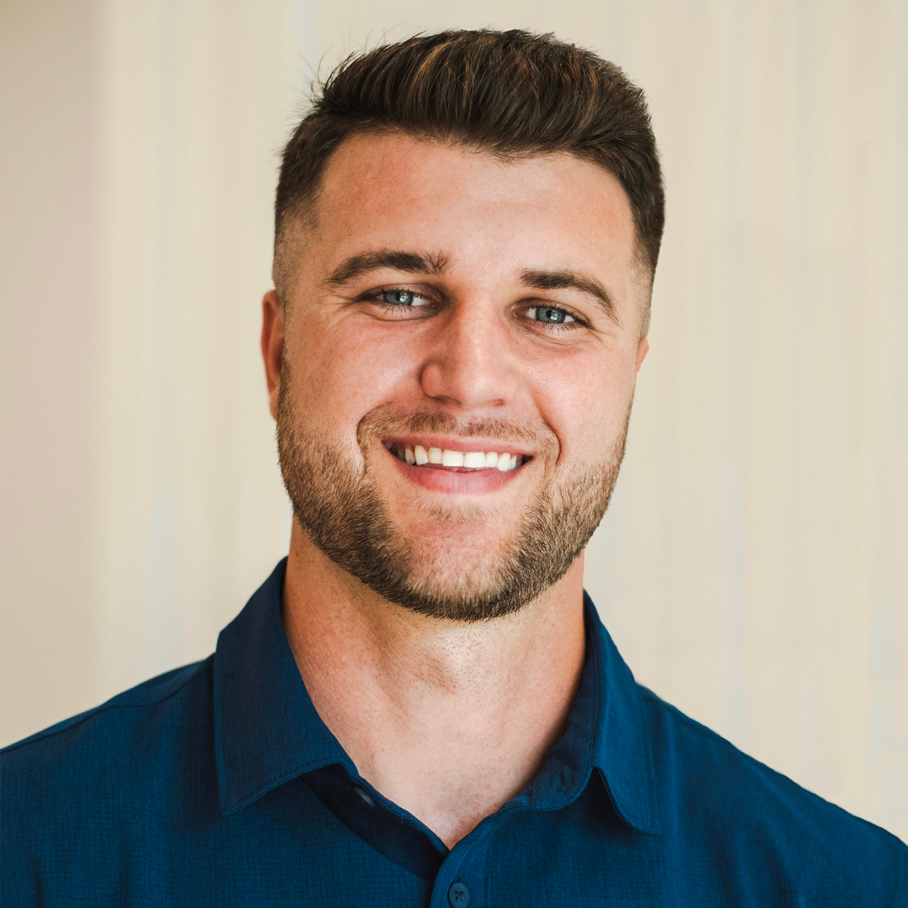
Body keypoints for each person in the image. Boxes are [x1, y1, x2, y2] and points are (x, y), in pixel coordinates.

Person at [1, 28, 905, 907]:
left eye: (552, 312)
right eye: (398, 294)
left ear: (630, 375)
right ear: (278, 354)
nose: (469, 378)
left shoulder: (846, 888)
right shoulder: (25, 849)